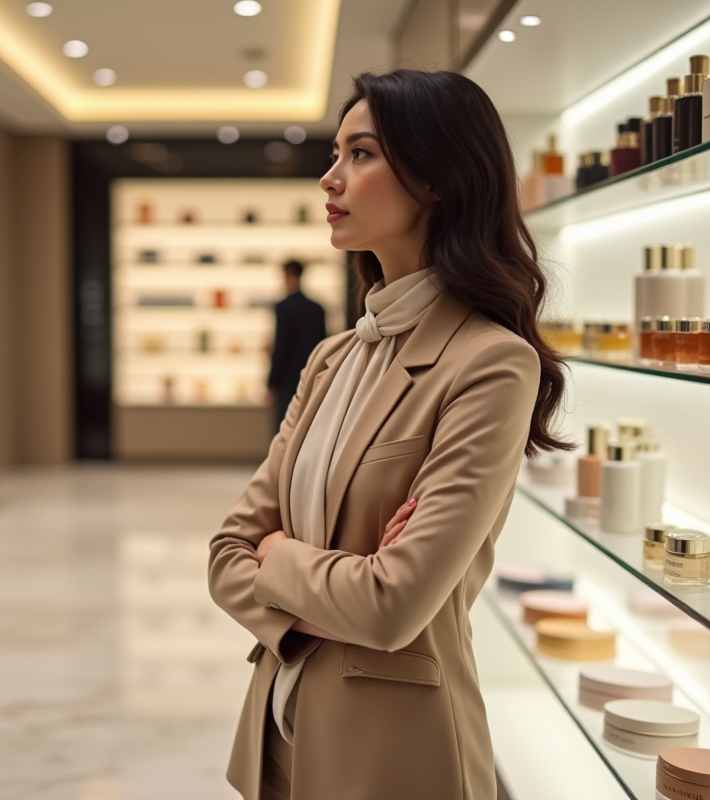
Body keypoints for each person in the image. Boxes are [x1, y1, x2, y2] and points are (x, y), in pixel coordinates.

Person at [207, 69, 571, 800]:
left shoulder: (492, 363)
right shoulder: (333, 356)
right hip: (279, 735)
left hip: (393, 756)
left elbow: (394, 605)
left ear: (436, 177)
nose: (330, 179)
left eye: (361, 154)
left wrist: (277, 554)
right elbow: (224, 557)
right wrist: (337, 578)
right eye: (334, 153)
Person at [267, 260, 327, 429]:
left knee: (285, 427)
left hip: (287, 379)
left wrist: (271, 381)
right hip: (312, 375)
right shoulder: (317, 308)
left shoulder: (284, 307)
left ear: (287, 276)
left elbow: (281, 347)